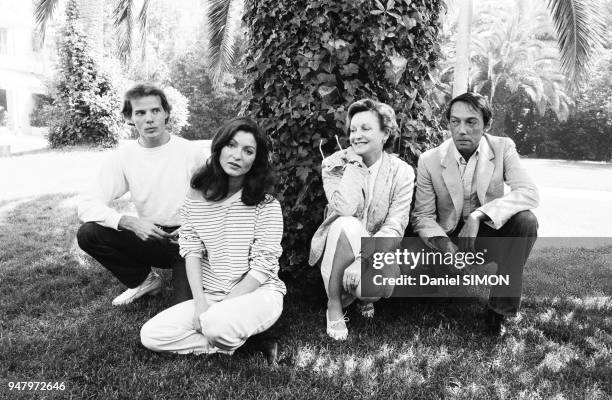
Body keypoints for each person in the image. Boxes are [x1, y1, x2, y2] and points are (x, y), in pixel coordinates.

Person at [140, 117, 285, 362]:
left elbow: (263, 267)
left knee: (215, 323)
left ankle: (224, 333)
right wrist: (200, 304)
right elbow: (191, 250)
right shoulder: (196, 196)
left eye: (248, 151)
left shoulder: (266, 205)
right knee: (151, 335)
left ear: (256, 160)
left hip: (258, 293)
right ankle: (242, 345)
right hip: (212, 294)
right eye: (231, 145)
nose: (237, 155)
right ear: (219, 147)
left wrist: (217, 311)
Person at [412, 92, 539, 337]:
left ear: (486, 125)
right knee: (421, 285)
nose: (461, 130)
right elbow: (423, 216)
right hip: (446, 242)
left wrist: (478, 215)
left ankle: (498, 310)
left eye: (471, 122)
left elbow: (529, 192)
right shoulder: (429, 160)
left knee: (526, 221)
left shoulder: (503, 148)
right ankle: (434, 282)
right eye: (455, 121)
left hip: (486, 237)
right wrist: (448, 248)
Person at [76, 84, 207, 306]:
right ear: (129, 117)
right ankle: (144, 280)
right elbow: (86, 204)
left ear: (166, 113)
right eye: (140, 113)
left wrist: (193, 228)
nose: (149, 119)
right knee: (89, 233)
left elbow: (215, 198)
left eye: (155, 110)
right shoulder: (124, 157)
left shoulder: (190, 151)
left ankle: (190, 281)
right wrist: (130, 223)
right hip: (151, 236)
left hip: (189, 241)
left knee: (182, 313)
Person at [309, 99, 415, 340]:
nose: (356, 136)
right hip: (340, 246)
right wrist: (355, 164)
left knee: (372, 289)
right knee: (346, 223)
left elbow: (395, 226)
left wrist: (363, 259)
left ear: (385, 133)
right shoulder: (333, 164)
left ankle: (363, 298)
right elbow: (344, 208)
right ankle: (334, 305)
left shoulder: (403, 172)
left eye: (365, 129)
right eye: (353, 130)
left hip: (376, 250)